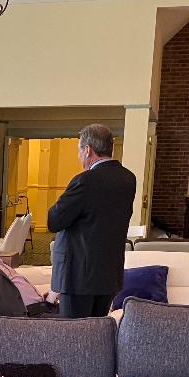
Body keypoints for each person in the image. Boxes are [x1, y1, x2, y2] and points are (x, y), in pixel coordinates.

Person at [47, 124, 137, 318]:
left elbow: (54, 220)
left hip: (78, 276)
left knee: (76, 333)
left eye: (79, 150)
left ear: (87, 150)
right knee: (98, 331)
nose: (79, 156)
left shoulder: (84, 180)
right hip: (108, 274)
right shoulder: (128, 179)